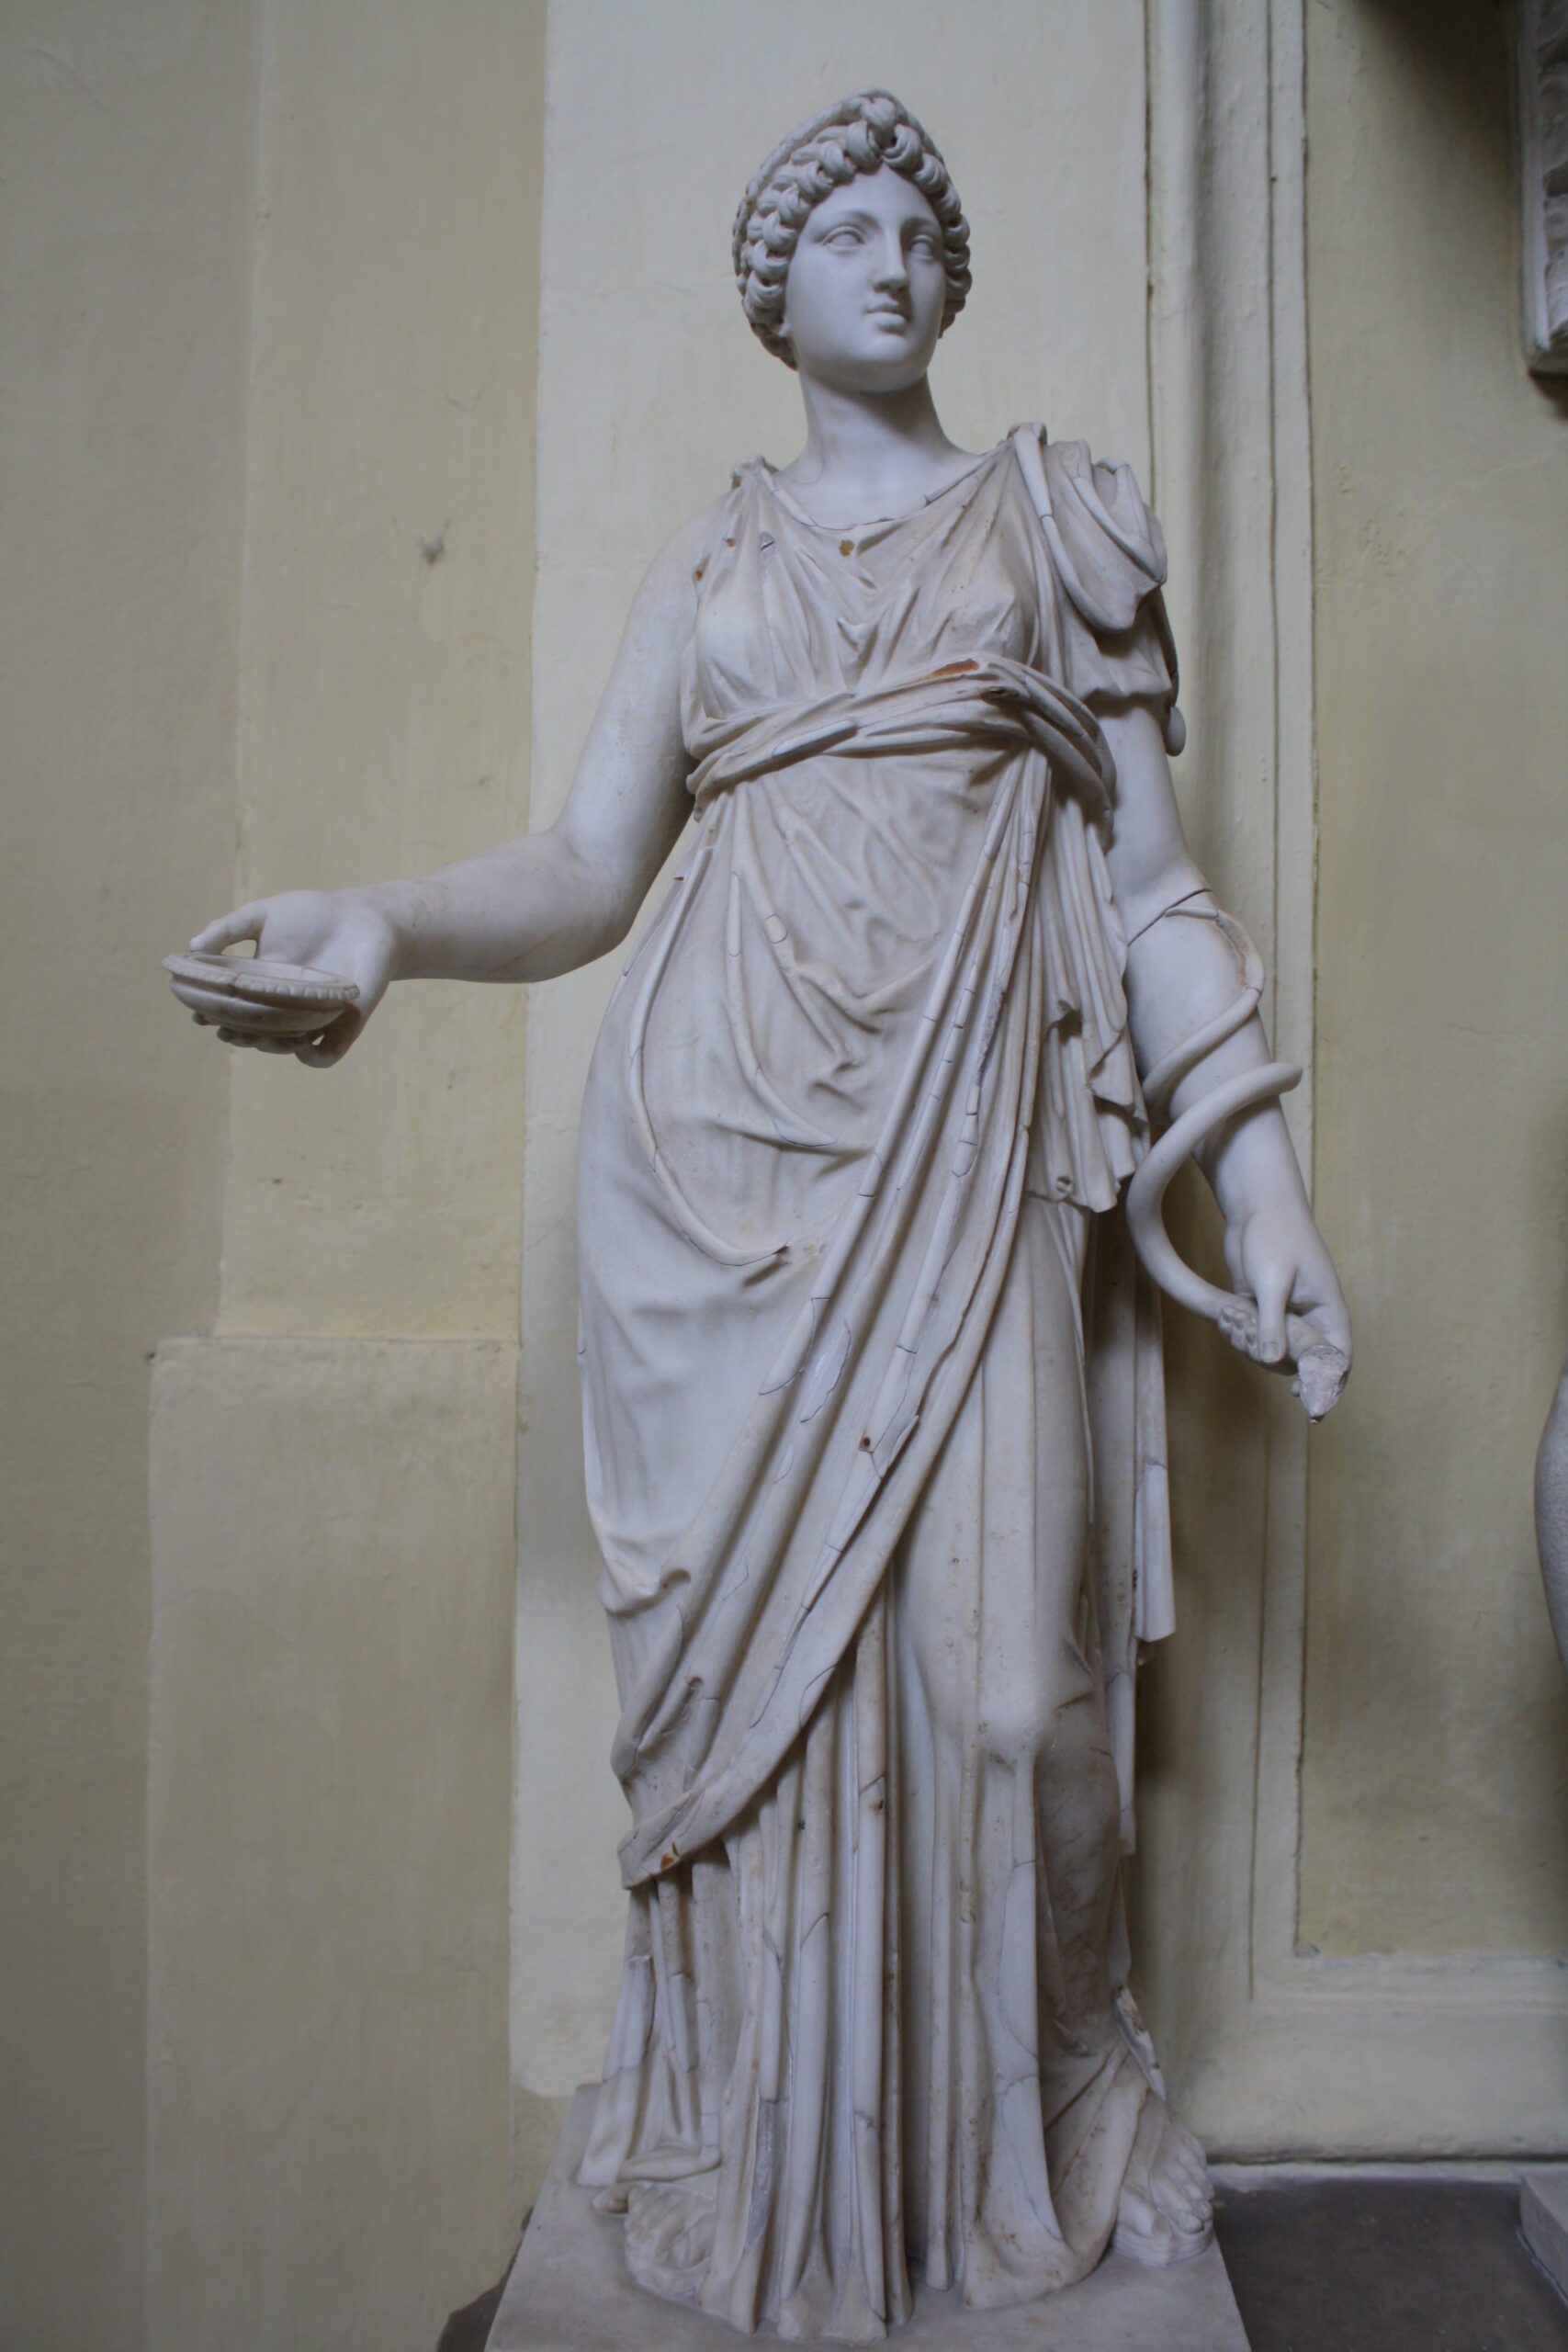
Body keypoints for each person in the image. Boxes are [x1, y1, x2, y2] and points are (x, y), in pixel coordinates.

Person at [191, 90, 1350, 2343]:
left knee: (1012, 1696)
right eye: (840, 230)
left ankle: (1007, 2165)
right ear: (771, 295)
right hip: (715, 1182)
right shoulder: (712, 567)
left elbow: (1150, 892)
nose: (889, 258)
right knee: (759, 1712)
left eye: (920, 224)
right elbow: (584, 872)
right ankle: (747, 2151)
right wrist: (381, 931)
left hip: (982, 1161)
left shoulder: (1055, 521)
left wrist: (1266, 1182)